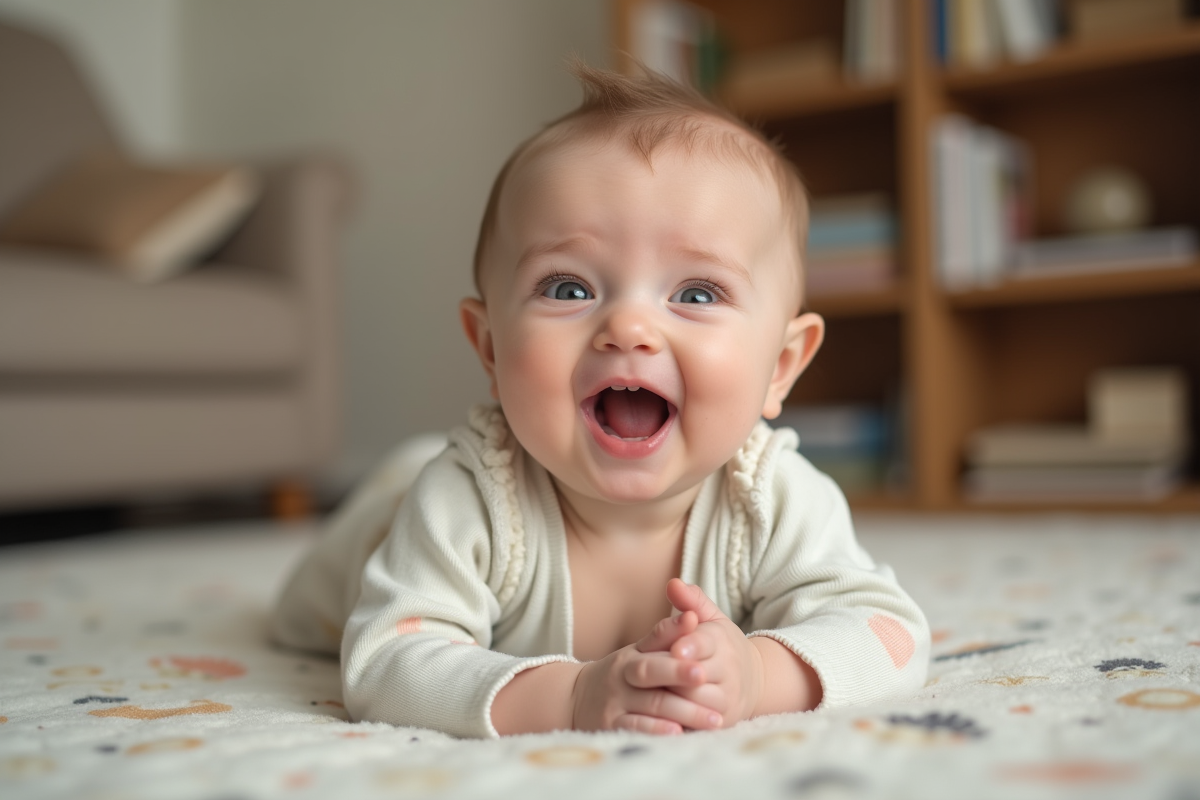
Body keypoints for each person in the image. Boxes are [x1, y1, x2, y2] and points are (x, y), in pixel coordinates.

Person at [271, 62, 929, 739]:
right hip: (388, 522)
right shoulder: (466, 498)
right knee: (316, 599)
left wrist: (760, 674)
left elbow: (889, 633)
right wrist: (573, 697)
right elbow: (384, 662)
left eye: (697, 294)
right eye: (567, 288)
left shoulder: (770, 497)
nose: (630, 329)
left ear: (780, 368)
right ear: (491, 348)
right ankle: (390, 486)